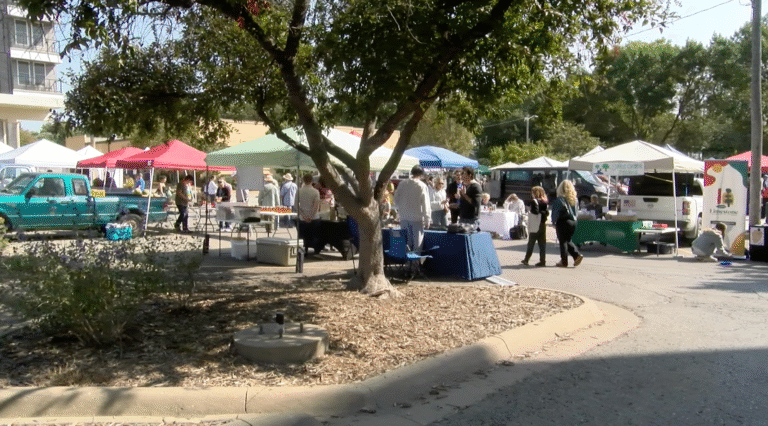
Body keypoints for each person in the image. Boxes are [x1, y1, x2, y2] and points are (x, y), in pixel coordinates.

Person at [394, 165, 432, 251]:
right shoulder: (422, 186)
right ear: (421, 174)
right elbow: (426, 204)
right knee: (417, 244)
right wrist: (427, 219)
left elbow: (396, 200)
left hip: (404, 217)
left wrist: (400, 210)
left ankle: (407, 261)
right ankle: (415, 263)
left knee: (406, 242)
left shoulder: (402, 183)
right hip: (416, 218)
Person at [551, 180, 583, 267]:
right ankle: (576, 256)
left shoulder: (560, 199)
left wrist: (553, 222)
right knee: (567, 240)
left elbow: (556, 212)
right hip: (573, 222)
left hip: (563, 221)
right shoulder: (574, 199)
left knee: (563, 242)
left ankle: (564, 260)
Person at [521, 186, 548, 266]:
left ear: (535, 193)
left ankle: (526, 259)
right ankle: (542, 261)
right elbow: (546, 213)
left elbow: (535, 212)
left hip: (535, 224)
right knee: (542, 244)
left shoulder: (534, 201)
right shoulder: (544, 201)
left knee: (531, 242)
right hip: (543, 224)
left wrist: (531, 210)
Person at [297, 173, 321, 255]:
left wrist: (303, 215)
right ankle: (316, 251)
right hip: (314, 218)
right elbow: (316, 206)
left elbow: (295, 205)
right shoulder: (315, 192)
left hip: (302, 217)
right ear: (312, 181)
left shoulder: (299, 191)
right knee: (315, 235)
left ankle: (304, 249)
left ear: (303, 180)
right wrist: (310, 217)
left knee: (303, 236)